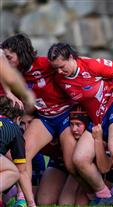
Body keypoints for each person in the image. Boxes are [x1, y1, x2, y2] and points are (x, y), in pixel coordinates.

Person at [48, 43, 113, 206]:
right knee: (79, 159)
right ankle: (105, 196)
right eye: (55, 68)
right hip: (97, 118)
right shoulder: (60, 79)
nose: (59, 71)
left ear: (72, 58)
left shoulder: (91, 65)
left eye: (61, 66)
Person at [1, 34, 76, 203]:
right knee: (21, 154)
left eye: (9, 57)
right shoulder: (11, 74)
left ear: (20, 54)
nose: (5, 61)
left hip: (65, 114)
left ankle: (100, 193)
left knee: (73, 163)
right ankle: (22, 199)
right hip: (45, 118)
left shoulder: (44, 64)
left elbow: (75, 64)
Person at [0, 96, 36, 207]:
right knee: (14, 172)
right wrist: (31, 203)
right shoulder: (14, 129)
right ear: (18, 118)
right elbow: (22, 170)